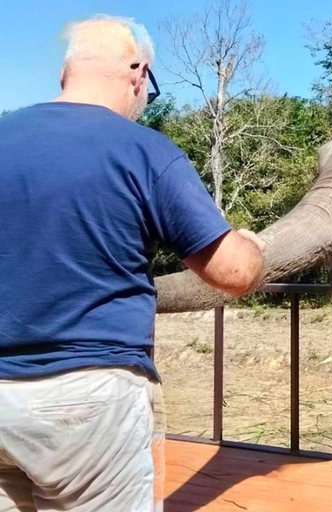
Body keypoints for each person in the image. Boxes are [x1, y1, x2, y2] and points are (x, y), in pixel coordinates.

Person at [0, 15, 266, 512]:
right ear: (138, 72)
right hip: (88, 402)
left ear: (67, 74)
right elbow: (232, 273)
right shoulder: (143, 151)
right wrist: (248, 243)